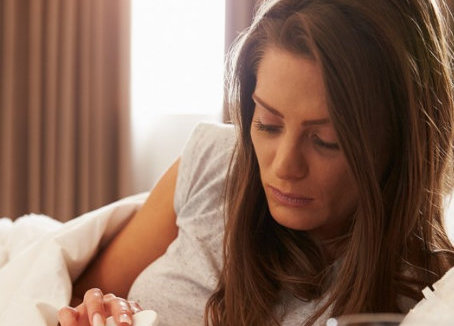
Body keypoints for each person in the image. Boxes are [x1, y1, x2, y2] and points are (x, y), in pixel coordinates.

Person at [58, 0, 454, 325]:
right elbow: (73, 292)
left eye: (325, 141)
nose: (284, 166)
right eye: (267, 123)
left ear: (401, 141)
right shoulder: (215, 163)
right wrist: (97, 311)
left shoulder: (425, 300)